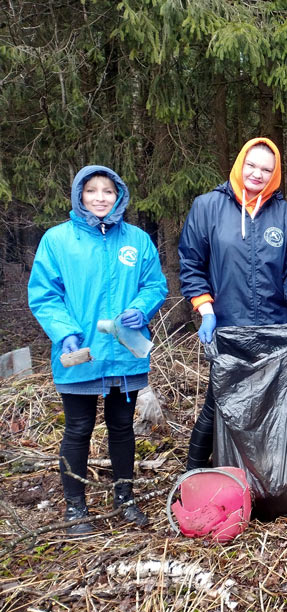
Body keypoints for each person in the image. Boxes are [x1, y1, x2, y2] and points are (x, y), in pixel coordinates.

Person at [28, 165, 168, 534]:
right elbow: (45, 295)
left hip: (125, 354)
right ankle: (76, 508)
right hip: (82, 353)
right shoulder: (57, 241)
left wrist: (141, 307)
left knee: (122, 427)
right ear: (79, 195)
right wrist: (65, 332)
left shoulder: (136, 240)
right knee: (77, 428)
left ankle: (126, 498)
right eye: (92, 191)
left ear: (118, 195)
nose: (100, 197)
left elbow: (155, 284)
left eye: (108, 191)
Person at [179, 137, 287, 469]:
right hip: (229, 324)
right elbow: (191, 263)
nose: (257, 174)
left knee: (286, 402)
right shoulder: (208, 206)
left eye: (266, 169)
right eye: (251, 165)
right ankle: (193, 473)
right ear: (240, 164)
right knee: (219, 402)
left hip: (277, 327)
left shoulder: (284, 214)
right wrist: (205, 310)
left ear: (275, 174)